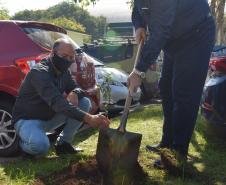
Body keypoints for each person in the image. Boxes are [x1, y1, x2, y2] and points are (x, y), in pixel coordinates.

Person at [128, 0, 216, 169]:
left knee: (184, 94)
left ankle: (177, 153)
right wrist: (138, 26)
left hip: (196, 35)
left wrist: (139, 71)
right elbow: (137, 9)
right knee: (166, 90)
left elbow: (160, 32)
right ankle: (167, 143)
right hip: (174, 40)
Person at [12, 38, 110, 158]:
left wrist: (74, 92)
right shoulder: (39, 73)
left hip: (49, 118)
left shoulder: (63, 71)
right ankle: (21, 144)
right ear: (53, 53)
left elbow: (76, 88)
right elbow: (57, 103)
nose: (68, 60)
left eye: (71, 57)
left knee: (84, 102)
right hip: (28, 120)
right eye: (64, 56)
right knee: (41, 147)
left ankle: (63, 144)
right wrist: (89, 119)